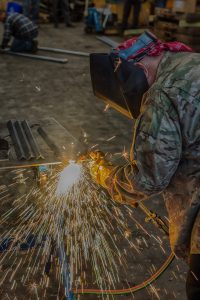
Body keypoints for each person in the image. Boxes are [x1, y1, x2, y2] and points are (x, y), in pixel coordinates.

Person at [89, 31, 200, 300]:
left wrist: (106, 177)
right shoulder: (192, 63)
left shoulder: (164, 92)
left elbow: (149, 178)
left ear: (139, 67)